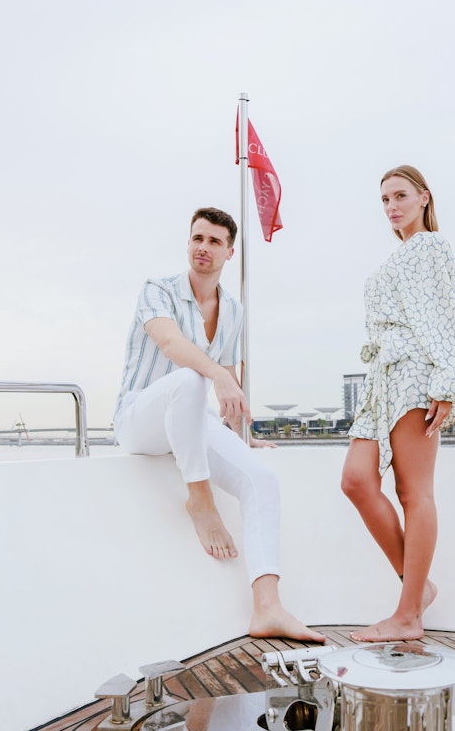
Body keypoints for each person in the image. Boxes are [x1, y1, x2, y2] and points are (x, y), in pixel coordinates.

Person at [114, 206, 325, 644]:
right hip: (140, 420)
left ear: (230, 252)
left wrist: (243, 435)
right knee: (190, 377)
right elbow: (172, 344)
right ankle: (200, 499)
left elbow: (228, 377)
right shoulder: (158, 290)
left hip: (190, 420)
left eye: (213, 242)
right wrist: (220, 375)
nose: (202, 248)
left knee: (262, 480)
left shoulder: (231, 309)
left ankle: (268, 607)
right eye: (197, 238)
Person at [340, 165, 455, 643]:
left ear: (424, 198)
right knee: (356, 480)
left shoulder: (430, 246)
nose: (391, 206)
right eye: (384, 200)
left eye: (400, 195)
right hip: (384, 378)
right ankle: (419, 590)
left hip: (416, 374)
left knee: (413, 493)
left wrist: (446, 384)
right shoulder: (402, 255)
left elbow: (443, 317)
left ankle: (408, 614)